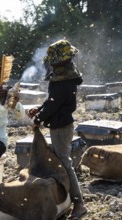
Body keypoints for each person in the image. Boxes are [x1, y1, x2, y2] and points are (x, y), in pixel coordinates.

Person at [27, 40, 88, 219]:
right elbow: (52, 101)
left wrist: (38, 119)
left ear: (61, 60)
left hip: (61, 126)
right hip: (60, 124)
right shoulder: (64, 77)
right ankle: (67, 198)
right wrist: (40, 109)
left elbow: (54, 106)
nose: (51, 64)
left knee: (65, 163)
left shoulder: (64, 81)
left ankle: (79, 204)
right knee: (62, 160)